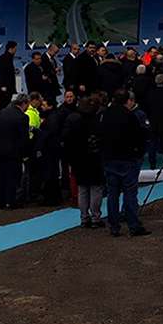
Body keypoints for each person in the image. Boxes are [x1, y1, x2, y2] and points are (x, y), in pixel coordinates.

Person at [98, 90, 150, 237]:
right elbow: (139, 137)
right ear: (127, 101)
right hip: (127, 159)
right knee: (130, 194)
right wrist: (138, 153)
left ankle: (114, 226)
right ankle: (133, 225)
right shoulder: (130, 116)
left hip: (110, 159)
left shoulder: (105, 115)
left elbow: (99, 135)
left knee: (112, 194)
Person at [64, 96, 105, 228]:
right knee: (95, 188)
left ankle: (84, 217)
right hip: (93, 159)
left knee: (82, 189)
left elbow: (67, 139)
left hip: (78, 159)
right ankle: (95, 217)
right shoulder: (94, 120)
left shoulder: (72, 119)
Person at [0, 94, 30, 209]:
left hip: (1, 150)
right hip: (15, 152)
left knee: (2, 176)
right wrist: (25, 154)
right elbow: (24, 138)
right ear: (24, 103)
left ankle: (1, 201)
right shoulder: (23, 117)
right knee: (13, 177)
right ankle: (11, 201)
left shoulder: (3, 112)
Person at [145, 73, 163, 170]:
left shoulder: (151, 93)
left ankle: (152, 163)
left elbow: (148, 107)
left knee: (152, 144)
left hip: (154, 121)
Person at [0, 41, 18, 107]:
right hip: (5, 87)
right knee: (4, 103)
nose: (15, 51)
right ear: (10, 49)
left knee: (7, 103)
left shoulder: (9, 58)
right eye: (15, 49)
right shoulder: (3, 58)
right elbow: (1, 73)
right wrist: (3, 86)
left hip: (9, 87)